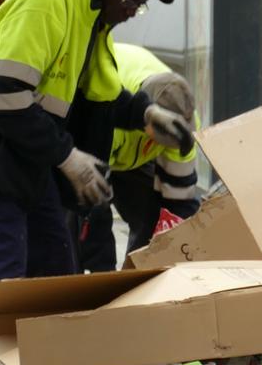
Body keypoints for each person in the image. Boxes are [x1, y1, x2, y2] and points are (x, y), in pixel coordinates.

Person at [0, 0, 194, 297]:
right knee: (3, 279)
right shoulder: (48, 5)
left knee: (56, 269)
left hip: (28, 151)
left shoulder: (94, 18)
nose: (131, 11)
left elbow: (101, 95)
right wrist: (69, 159)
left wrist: (147, 114)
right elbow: (6, 98)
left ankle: (47, 349)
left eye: (140, 5)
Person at [74, 43, 202, 272]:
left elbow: (179, 200)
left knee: (151, 216)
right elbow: (92, 202)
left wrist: (176, 253)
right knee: (85, 223)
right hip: (92, 147)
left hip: (133, 155)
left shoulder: (182, 125)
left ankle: (137, 276)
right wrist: (103, 276)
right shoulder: (109, 106)